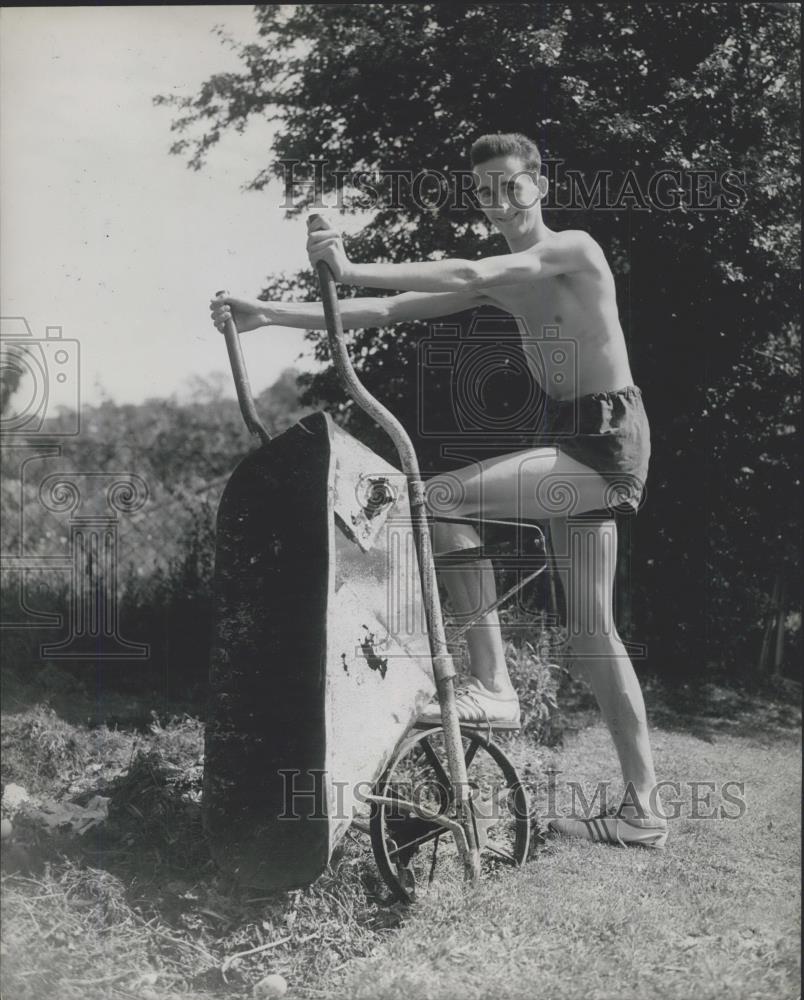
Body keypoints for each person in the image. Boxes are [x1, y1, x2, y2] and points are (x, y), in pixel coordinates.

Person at [210, 133, 667, 848]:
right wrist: (269, 313)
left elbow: (462, 270)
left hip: (602, 440)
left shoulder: (572, 248)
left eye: (511, 186)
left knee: (439, 500)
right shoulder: (504, 277)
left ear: (540, 185)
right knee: (592, 634)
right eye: (485, 192)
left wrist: (352, 263)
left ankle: (493, 683)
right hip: (576, 442)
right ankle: (645, 811)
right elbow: (386, 314)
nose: (499, 202)